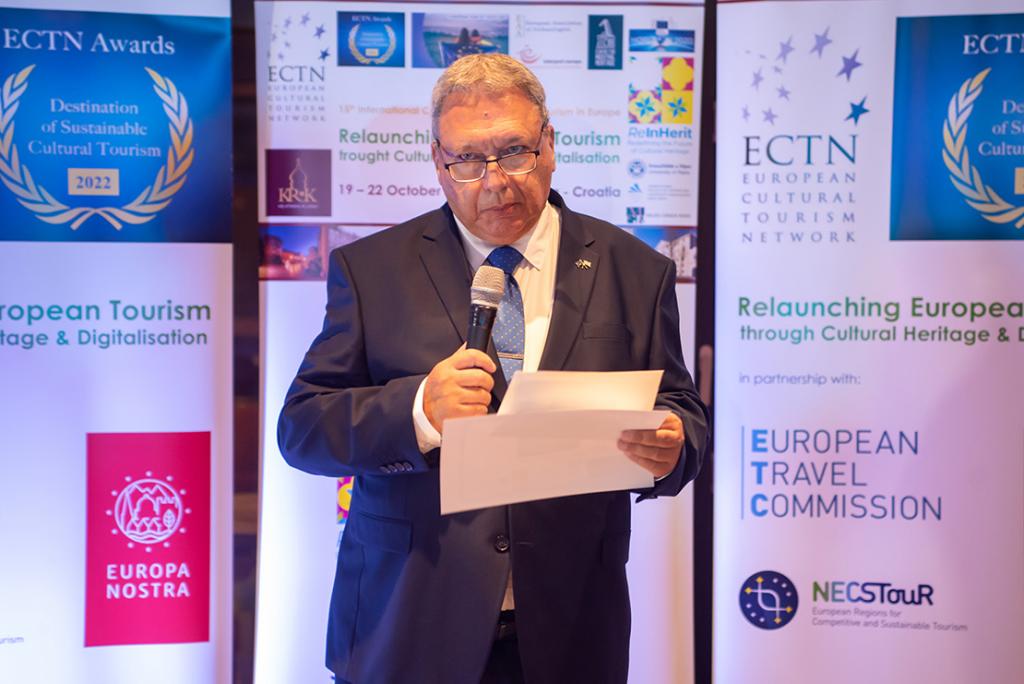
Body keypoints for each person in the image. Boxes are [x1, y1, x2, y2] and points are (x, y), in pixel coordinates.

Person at [278, 53, 709, 684]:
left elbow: (682, 414)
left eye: (514, 152)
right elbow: (302, 429)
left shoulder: (635, 270)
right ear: (438, 161)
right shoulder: (372, 270)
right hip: (407, 624)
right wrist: (419, 410)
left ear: (549, 145)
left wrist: (672, 446)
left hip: (571, 630)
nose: (495, 181)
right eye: (468, 160)